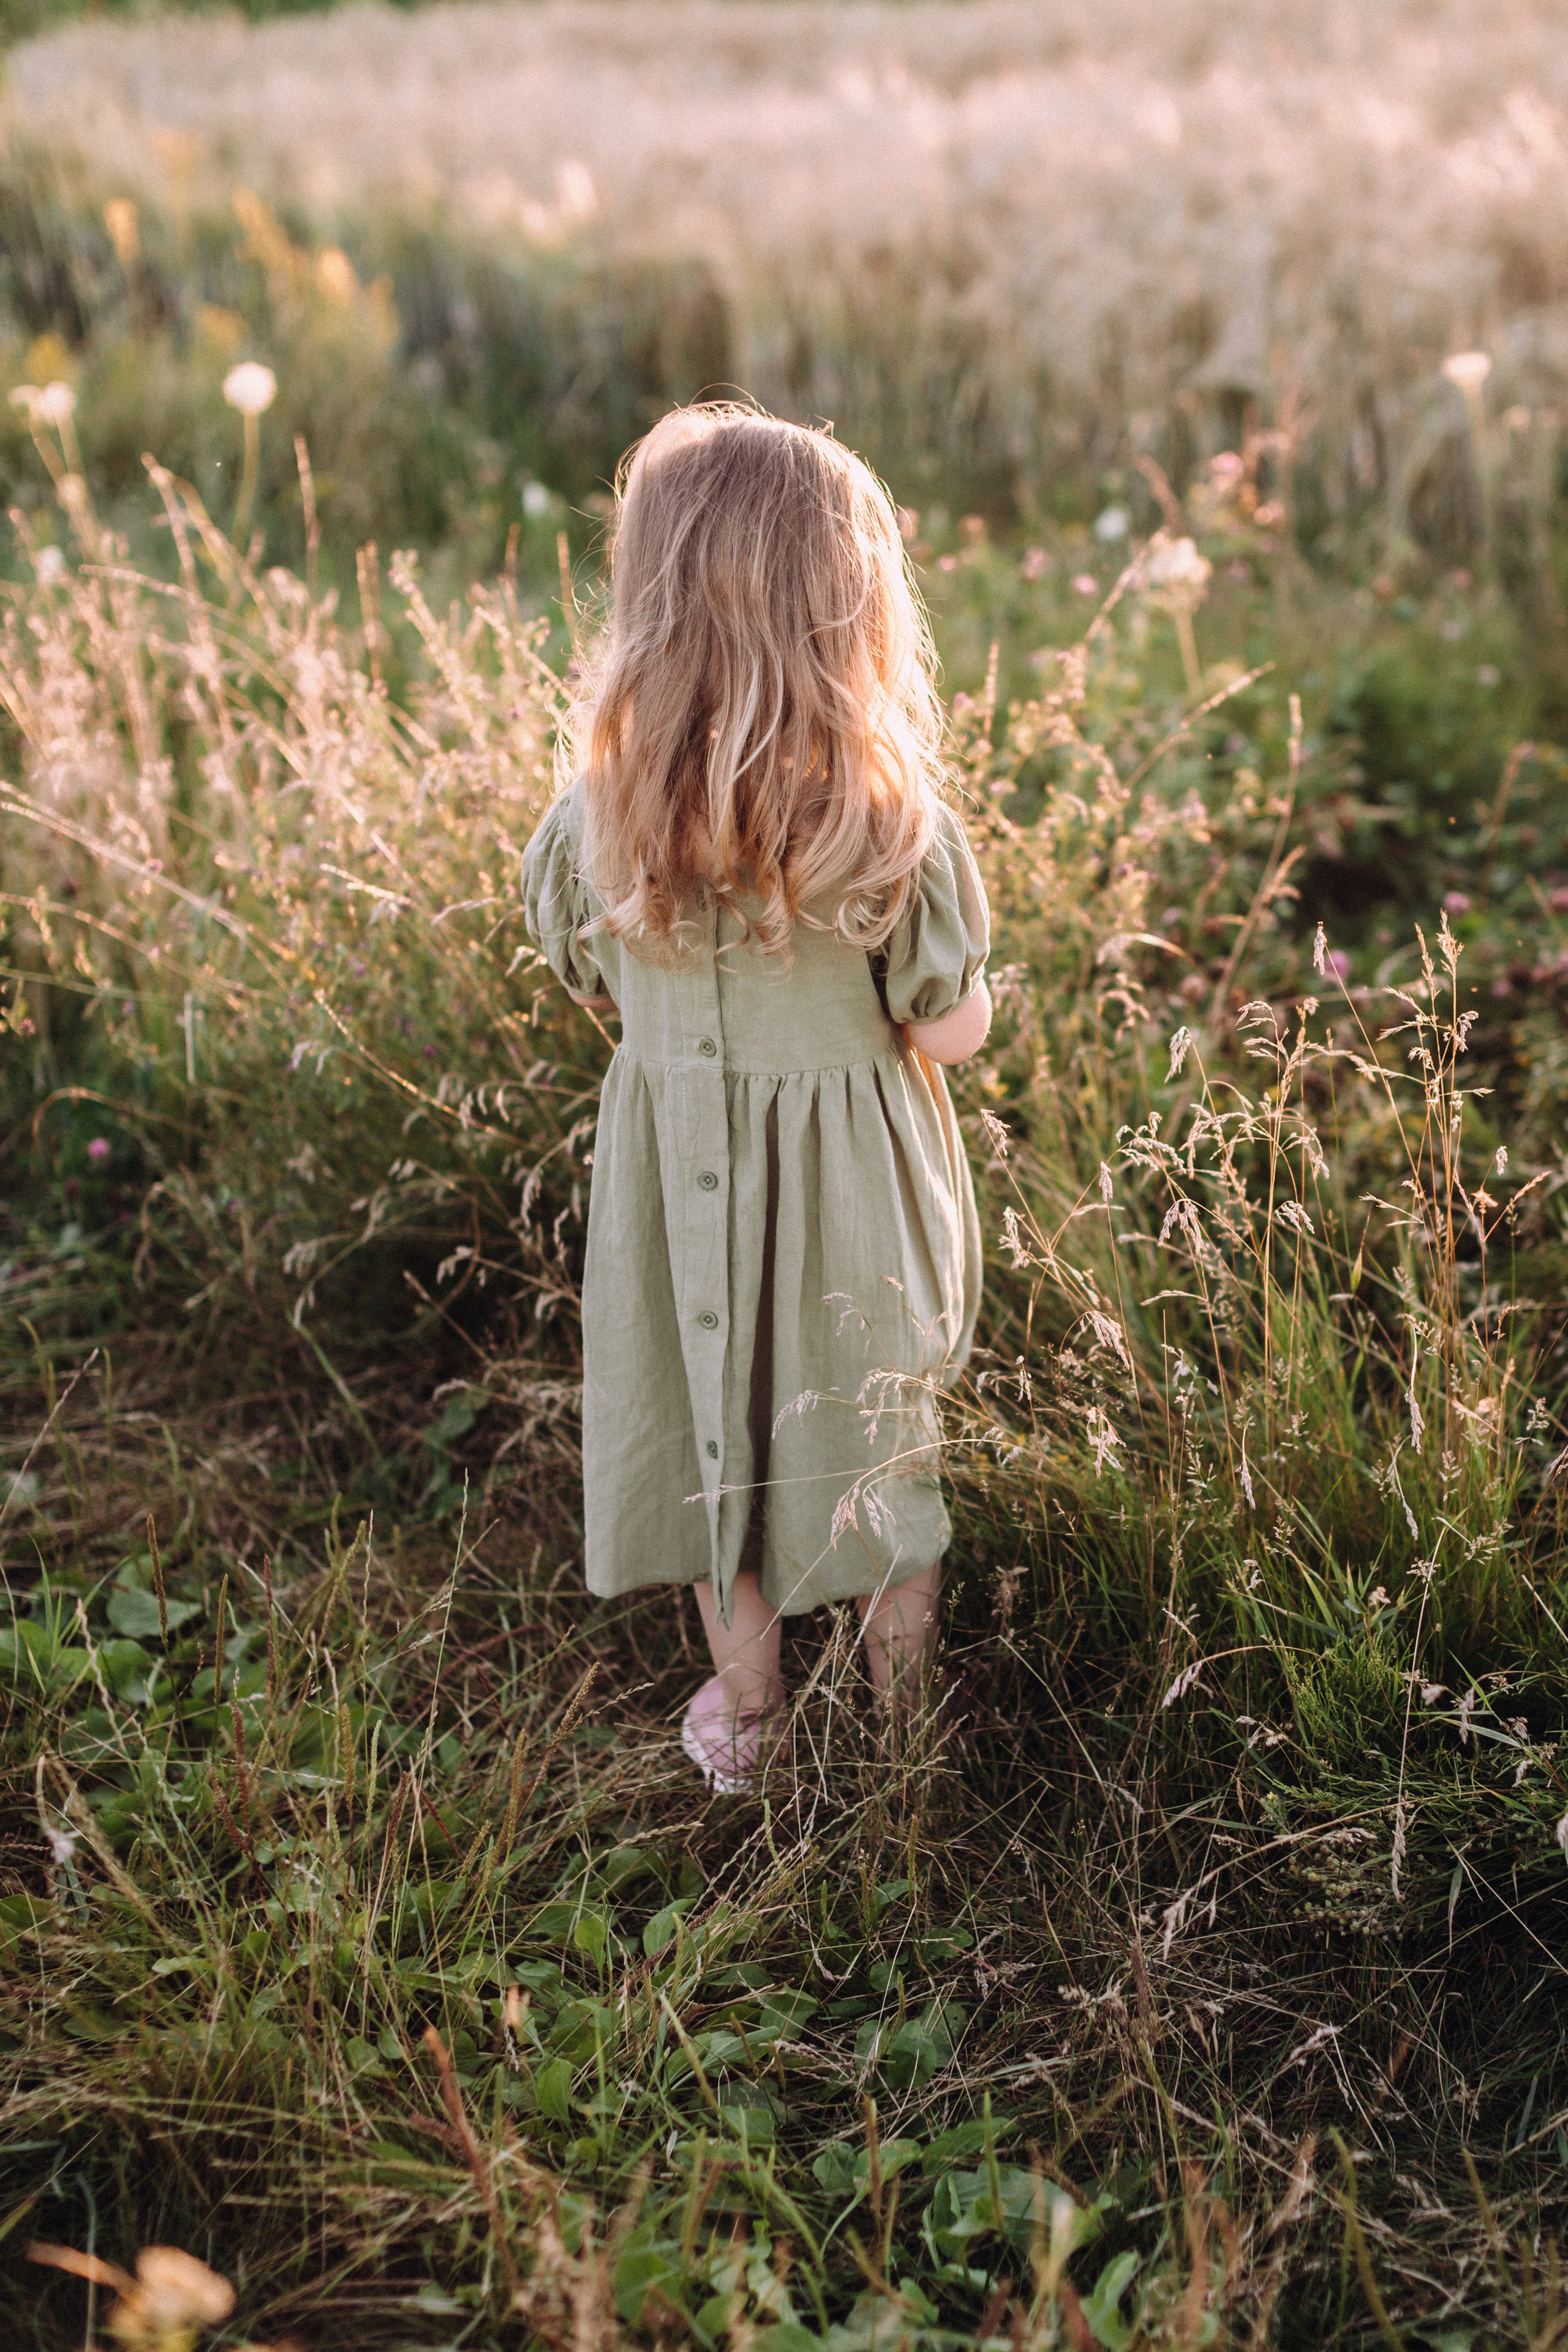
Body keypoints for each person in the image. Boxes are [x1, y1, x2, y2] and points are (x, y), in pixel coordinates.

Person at [521, 402, 990, 1795]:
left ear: (647, 604)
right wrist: (981, 1000)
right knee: (867, 1439)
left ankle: (753, 1724)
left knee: (714, 1436)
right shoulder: (888, 821)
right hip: (852, 1205)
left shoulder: (596, 815)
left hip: (679, 1192)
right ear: (849, 611)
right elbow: (945, 1029)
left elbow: (592, 983)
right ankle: (904, 1730)